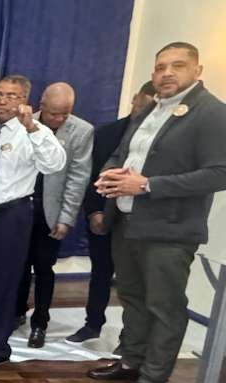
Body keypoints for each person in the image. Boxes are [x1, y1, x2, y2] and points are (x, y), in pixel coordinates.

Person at [90, 42, 226, 383]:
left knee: (164, 306)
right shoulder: (151, 108)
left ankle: (153, 380)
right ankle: (131, 361)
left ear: (197, 70)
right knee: (132, 297)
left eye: (177, 66)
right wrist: (109, 173)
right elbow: (123, 152)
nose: (167, 73)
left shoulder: (212, 113)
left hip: (169, 229)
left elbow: (220, 172)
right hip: (127, 221)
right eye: (161, 67)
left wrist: (147, 185)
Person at [0, 74, 66, 370]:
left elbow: (55, 164)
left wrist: (32, 127)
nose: (3, 101)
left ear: (25, 101)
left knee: (5, 282)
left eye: (12, 96)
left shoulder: (33, 131)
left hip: (10, 214)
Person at [69, 81, 156, 344]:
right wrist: (93, 211)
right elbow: (89, 175)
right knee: (100, 273)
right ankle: (92, 323)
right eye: (143, 103)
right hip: (105, 215)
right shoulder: (107, 133)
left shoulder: (159, 138)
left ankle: (130, 337)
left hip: (141, 219)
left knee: (135, 281)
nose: (145, 110)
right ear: (135, 98)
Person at [15, 82, 94, 347]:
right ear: (41, 104)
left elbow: (78, 178)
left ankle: (40, 323)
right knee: (18, 265)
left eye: (65, 114)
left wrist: (66, 218)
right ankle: (16, 312)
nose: (59, 119)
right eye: (53, 113)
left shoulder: (82, 131)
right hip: (20, 206)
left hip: (51, 212)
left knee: (43, 268)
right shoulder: (23, 123)